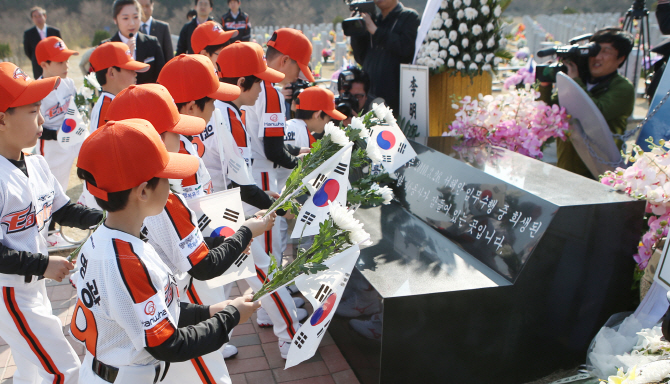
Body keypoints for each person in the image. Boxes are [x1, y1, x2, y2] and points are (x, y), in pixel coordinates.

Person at [102, 83, 274, 379]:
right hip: (156, 341)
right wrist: (244, 232)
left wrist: (225, 240)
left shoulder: (115, 213)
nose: (179, 137)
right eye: (172, 131)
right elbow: (201, 266)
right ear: (148, 138)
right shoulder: (162, 199)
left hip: (137, 340)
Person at [71, 118, 261, 383]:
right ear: (143, 192)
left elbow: (157, 311)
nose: (172, 186)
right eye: (166, 178)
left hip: (122, 369)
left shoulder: (114, 239)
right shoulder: (126, 259)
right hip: (126, 375)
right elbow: (170, 345)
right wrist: (231, 317)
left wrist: (209, 311)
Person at [0, 62, 103, 384]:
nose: (42, 120)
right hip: (9, 293)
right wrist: (42, 263)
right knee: (64, 370)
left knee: (31, 369)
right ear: (2, 119)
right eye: (32, 112)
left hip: (32, 286)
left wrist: (109, 216)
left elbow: (62, 210)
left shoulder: (36, 162)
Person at [215, 42, 308, 358]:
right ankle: (290, 337)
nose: (262, 90)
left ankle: (213, 339)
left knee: (223, 274)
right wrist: (277, 207)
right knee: (265, 268)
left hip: (217, 203)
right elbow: (240, 184)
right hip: (226, 203)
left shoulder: (222, 108)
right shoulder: (228, 116)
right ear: (241, 83)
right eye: (258, 81)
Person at [242, 28, 313, 262]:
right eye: (298, 70)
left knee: (251, 254)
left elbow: (267, 139)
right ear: (284, 60)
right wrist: (298, 162)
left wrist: (293, 150)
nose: (298, 78)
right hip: (261, 176)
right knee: (269, 260)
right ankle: (276, 299)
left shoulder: (247, 80)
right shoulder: (270, 91)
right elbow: (272, 150)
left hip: (242, 175)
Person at [538, 28, 635, 179]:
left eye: (606, 51)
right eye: (594, 50)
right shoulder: (580, 79)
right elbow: (547, 115)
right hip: (566, 170)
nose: (597, 57)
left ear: (621, 58)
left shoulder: (623, 88)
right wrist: (544, 85)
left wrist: (575, 81)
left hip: (599, 175)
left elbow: (592, 114)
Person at [76, 42, 149, 211]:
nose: (135, 73)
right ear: (111, 73)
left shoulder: (112, 102)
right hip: (114, 203)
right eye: (129, 68)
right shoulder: (109, 110)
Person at [350, 0, 420, 116]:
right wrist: (357, 29)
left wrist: (376, 31)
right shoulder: (373, 20)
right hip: (370, 92)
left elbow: (406, 49)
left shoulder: (409, 17)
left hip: (395, 93)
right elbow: (361, 57)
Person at [35, 36, 79, 192]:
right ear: (44, 65)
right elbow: (35, 130)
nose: (66, 65)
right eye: (60, 62)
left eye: (66, 60)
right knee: (55, 190)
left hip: (74, 137)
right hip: (53, 148)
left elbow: (76, 109)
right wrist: (57, 134)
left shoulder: (69, 83)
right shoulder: (36, 93)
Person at [103, 0, 166, 84]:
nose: (132, 23)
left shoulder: (152, 43)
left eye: (136, 17)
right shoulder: (106, 47)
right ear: (115, 20)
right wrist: (125, 57)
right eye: (125, 18)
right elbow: (106, 83)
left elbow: (161, 78)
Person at [23, 6, 61, 79]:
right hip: (38, 66)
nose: (38, 18)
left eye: (40, 16)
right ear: (32, 19)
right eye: (35, 16)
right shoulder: (28, 34)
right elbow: (28, 51)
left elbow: (61, 48)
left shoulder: (55, 31)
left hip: (55, 64)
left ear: (45, 16)